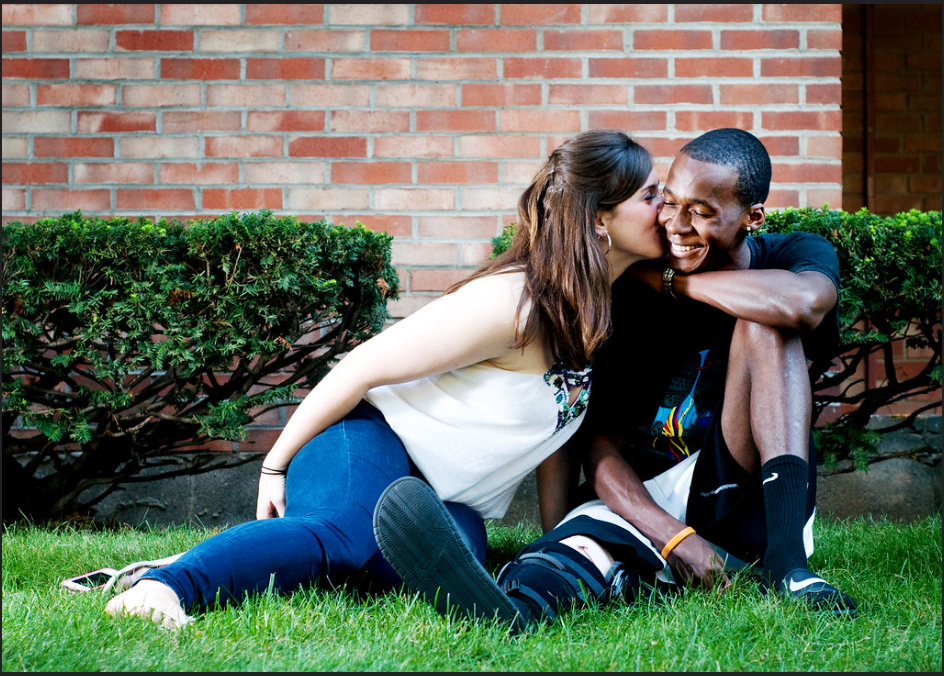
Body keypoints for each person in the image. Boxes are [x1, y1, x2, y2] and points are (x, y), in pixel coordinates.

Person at [104, 128, 666, 630]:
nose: (666, 205)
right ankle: (165, 586)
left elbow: (556, 436)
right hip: (371, 442)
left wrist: (554, 535)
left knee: (424, 567)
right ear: (599, 217)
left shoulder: (595, 310)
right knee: (340, 537)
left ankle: (238, 557)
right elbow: (361, 365)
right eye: (650, 194)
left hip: (441, 502)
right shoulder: (515, 303)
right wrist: (274, 464)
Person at [374, 128, 857, 632]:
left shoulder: (793, 254)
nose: (677, 225)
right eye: (669, 202)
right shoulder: (633, 291)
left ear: (753, 217)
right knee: (580, 546)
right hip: (649, 495)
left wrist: (679, 283)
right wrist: (675, 539)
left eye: (703, 212)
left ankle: (791, 571)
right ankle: (510, 610)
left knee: (765, 321)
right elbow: (599, 445)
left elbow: (801, 306)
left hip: (738, 486)